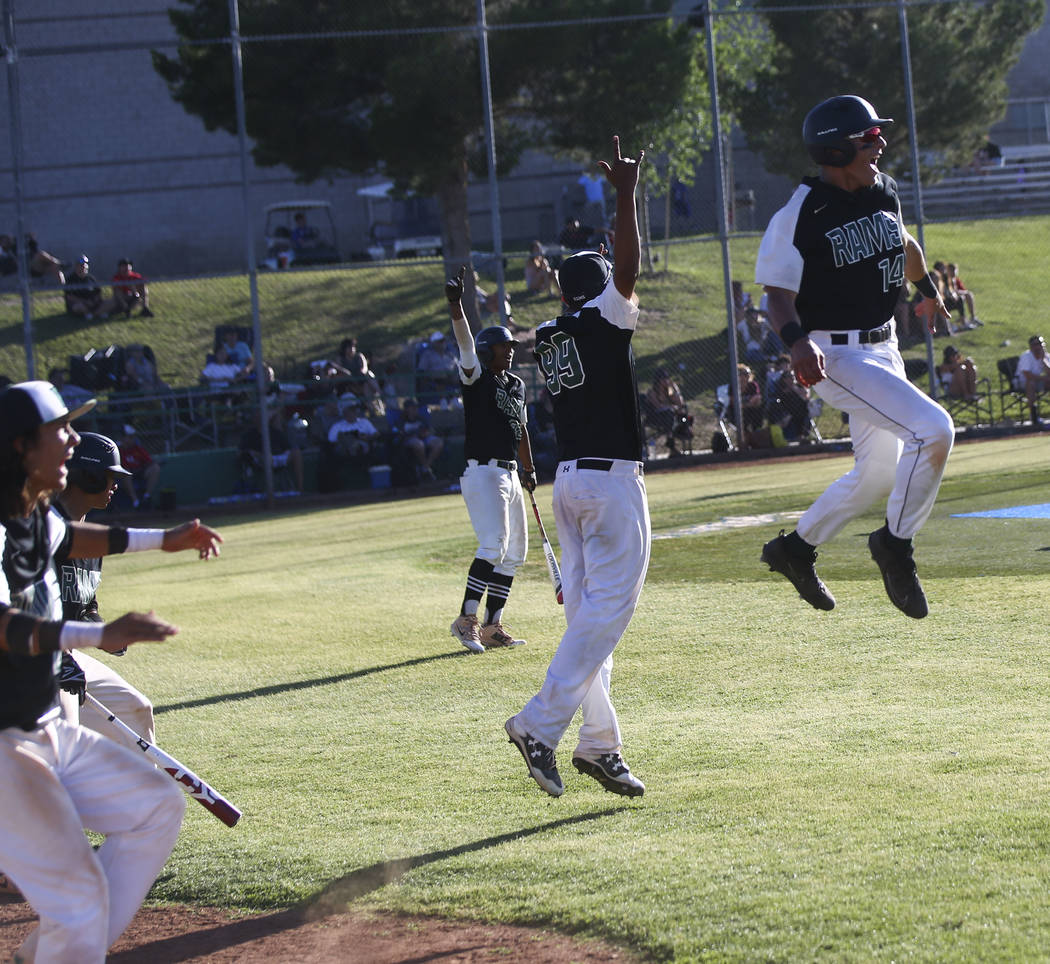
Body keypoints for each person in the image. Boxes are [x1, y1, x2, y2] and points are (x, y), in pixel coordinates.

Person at [0, 379, 218, 962]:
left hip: (43, 728)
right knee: (77, 899)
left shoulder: (30, 512)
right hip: (4, 745)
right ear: (22, 445)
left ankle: (41, 952)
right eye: (60, 430)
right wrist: (99, 634)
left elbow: (71, 538)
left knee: (155, 806)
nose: (72, 440)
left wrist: (163, 541)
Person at [756, 94, 955, 621]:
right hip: (834, 355)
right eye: (868, 138)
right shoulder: (800, 212)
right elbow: (776, 293)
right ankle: (895, 545)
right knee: (934, 431)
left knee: (876, 476)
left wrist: (927, 290)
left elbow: (904, 242)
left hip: (884, 347)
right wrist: (796, 342)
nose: (880, 144)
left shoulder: (881, 190)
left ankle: (794, 550)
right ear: (836, 148)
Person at [505, 135, 648, 799]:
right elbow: (628, 269)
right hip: (610, 481)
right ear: (596, 291)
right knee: (606, 614)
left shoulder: (556, 331)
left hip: (569, 481)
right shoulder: (600, 317)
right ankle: (540, 723)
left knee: (589, 621)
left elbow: (605, 281)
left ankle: (600, 745)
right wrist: (625, 193)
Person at [445, 267, 535, 654]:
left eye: (511, 345)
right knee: (493, 545)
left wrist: (529, 468)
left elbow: (521, 428)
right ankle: (466, 620)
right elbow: (465, 343)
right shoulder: (476, 377)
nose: (510, 349)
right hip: (483, 472)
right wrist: (456, 305)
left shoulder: (515, 384)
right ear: (488, 352)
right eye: (503, 345)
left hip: (512, 474)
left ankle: (493, 625)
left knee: (514, 553)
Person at [239, 405, 305, 493]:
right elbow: (241, 452)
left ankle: (300, 490)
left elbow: (287, 447)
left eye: (262, 416)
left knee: (296, 452)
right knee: (267, 457)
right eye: (258, 416)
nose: (260, 418)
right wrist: (255, 454)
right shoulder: (249, 435)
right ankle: (270, 493)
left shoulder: (274, 432)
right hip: (260, 461)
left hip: (277, 458)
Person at [389, 398, 444, 482]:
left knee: (438, 443)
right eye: (412, 408)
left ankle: (425, 468)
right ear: (407, 409)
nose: (415, 409)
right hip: (409, 440)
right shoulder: (400, 421)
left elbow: (430, 430)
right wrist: (414, 434)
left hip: (424, 438)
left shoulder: (421, 418)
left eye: (415, 407)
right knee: (419, 444)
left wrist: (426, 433)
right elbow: (399, 434)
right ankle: (426, 469)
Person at [644, 368, 692, 455]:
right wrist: (672, 407)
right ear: (658, 380)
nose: (666, 381)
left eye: (667, 378)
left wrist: (674, 390)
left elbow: (680, 404)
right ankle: (671, 444)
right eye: (663, 379)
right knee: (669, 414)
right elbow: (658, 406)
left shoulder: (669, 390)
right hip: (656, 418)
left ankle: (683, 433)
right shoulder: (652, 392)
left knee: (684, 415)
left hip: (670, 417)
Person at [117, 424, 162, 509]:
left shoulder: (137, 448)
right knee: (125, 472)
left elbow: (149, 461)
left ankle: (146, 497)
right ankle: (135, 501)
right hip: (125, 475)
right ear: (122, 438)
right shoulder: (117, 449)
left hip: (139, 472)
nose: (132, 439)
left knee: (155, 468)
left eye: (132, 437)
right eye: (129, 437)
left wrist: (147, 466)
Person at [64, 255, 118, 321]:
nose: (83, 267)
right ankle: (95, 313)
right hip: (81, 304)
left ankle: (93, 314)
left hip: (93, 304)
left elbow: (98, 292)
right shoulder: (70, 279)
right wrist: (85, 302)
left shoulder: (91, 278)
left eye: (85, 265)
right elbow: (69, 296)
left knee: (113, 302)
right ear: (76, 266)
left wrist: (94, 301)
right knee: (78, 307)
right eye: (81, 265)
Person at [0, 232, 65, 285]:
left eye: (7, 239)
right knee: (40, 254)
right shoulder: (6, 253)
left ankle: (63, 286)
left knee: (54, 267)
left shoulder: (18, 245)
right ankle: (60, 264)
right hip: (28, 269)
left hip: (36, 265)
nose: (6, 242)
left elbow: (34, 250)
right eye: (3, 241)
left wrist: (32, 240)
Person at [1015, 334, 1050, 425]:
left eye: (1041, 343)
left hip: (1038, 382)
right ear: (1031, 346)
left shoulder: (1046, 356)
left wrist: (1043, 360)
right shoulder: (1026, 356)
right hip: (1021, 382)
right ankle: (1033, 415)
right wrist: (1044, 378)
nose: (1039, 346)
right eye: (1036, 344)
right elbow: (1027, 375)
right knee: (1030, 383)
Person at [944, 262, 980, 327]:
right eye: (952, 270)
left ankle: (972, 317)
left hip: (955, 299)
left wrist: (960, 292)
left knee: (968, 295)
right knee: (962, 298)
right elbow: (948, 292)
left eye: (955, 270)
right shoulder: (945, 280)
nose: (954, 272)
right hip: (947, 301)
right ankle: (964, 321)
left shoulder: (956, 280)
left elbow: (962, 290)